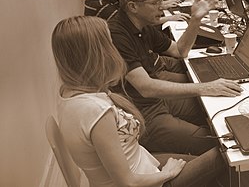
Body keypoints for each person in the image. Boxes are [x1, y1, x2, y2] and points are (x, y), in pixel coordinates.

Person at [52, 16, 226, 187]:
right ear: (95, 54)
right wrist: (168, 174)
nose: (115, 49)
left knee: (216, 154)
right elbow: (128, 182)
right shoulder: (95, 111)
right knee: (226, 154)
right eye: (109, 43)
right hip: (144, 180)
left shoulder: (69, 93)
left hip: (144, 165)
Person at [108, 0, 242, 156]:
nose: (163, 6)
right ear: (133, 7)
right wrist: (206, 87)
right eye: (156, 2)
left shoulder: (143, 24)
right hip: (142, 113)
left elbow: (179, 51)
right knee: (217, 144)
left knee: (214, 109)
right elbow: (146, 88)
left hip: (156, 101)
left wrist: (195, 20)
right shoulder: (116, 34)